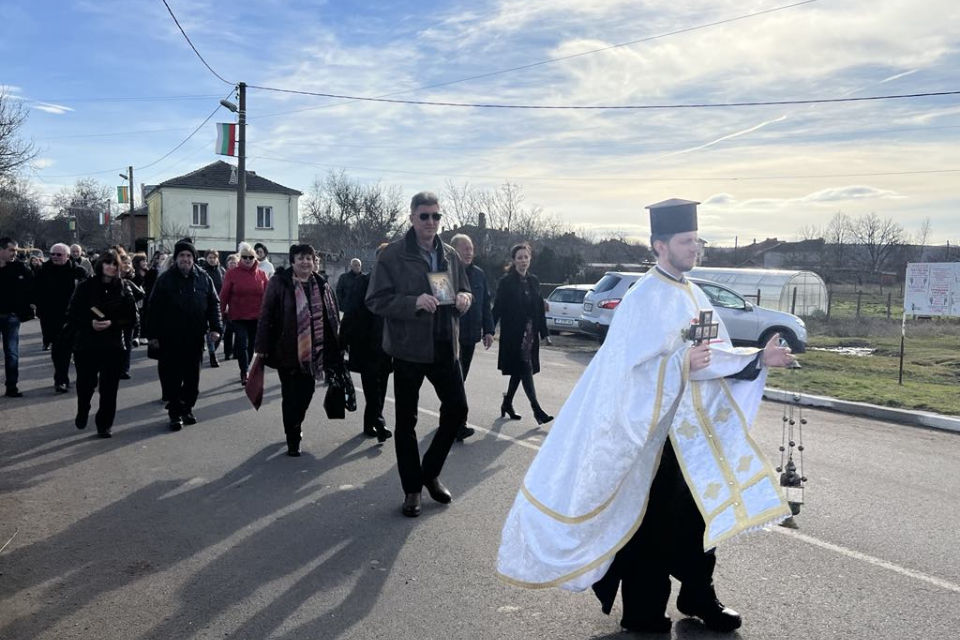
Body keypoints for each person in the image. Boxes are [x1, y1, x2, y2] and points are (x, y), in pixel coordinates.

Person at [497, 198, 797, 634]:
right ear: (660, 245)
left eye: (697, 240)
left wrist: (757, 358)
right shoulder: (641, 300)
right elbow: (624, 372)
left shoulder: (695, 294)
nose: (696, 248)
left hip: (692, 436)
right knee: (648, 524)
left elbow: (711, 356)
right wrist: (678, 365)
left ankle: (698, 595)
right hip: (650, 435)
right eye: (686, 241)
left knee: (699, 516)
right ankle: (644, 607)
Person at [365, 191, 473, 517]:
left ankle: (430, 473)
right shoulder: (393, 255)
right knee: (406, 422)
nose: (430, 222)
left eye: (435, 216)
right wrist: (413, 302)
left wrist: (466, 299)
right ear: (411, 217)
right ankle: (412, 488)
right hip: (409, 348)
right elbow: (375, 300)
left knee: (456, 411)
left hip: (444, 344)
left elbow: (464, 288)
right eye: (424, 216)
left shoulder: (450, 254)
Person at [255, 243, 344, 456]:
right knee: (290, 393)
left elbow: (331, 319)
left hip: (314, 352)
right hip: (286, 348)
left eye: (309, 258)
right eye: (300, 258)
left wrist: (338, 347)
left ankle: (296, 422)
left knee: (307, 392)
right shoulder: (279, 283)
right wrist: (262, 346)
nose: (305, 262)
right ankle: (292, 435)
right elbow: (266, 315)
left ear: (314, 262)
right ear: (292, 261)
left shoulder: (322, 284)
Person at [147, 239, 223, 431]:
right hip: (169, 337)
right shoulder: (165, 279)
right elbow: (153, 308)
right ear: (176, 258)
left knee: (192, 379)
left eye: (189, 256)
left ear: (194, 259)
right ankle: (174, 413)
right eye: (181, 255)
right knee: (172, 376)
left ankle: (187, 408)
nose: (185, 259)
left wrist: (216, 327)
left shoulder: (204, 277)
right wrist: (153, 335)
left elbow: (214, 304)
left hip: (195, 335)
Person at [65, 249, 138, 437]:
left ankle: (104, 424)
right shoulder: (85, 286)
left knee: (109, 389)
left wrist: (112, 323)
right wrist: (90, 323)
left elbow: (132, 317)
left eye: (115, 264)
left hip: (113, 345)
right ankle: (83, 409)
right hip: (86, 344)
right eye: (108, 263)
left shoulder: (124, 287)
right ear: (101, 265)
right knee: (85, 385)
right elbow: (72, 314)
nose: (112, 267)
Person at [492, 243, 553, 426]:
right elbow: (499, 307)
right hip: (514, 335)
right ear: (514, 260)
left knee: (520, 371)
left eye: (526, 257)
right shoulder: (506, 282)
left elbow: (539, 308)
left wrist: (545, 333)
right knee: (524, 367)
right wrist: (489, 329)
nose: (523, 260)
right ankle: (537, 410)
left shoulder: (534, 280)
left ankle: (507, 403)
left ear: (530, 259)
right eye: (519, 257)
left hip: (530, 333)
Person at [339, 244, 392, 443]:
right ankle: (379, 422)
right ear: (376, 261)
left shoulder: (395, 284)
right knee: (372, 386)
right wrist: (342, 342)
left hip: (387, 345)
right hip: (366, 343)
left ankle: (369, 424)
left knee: (383, 386)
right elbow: (351, 312)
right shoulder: (363, 282)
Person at [450, 233, 494, 442]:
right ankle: (458, 424)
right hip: (450, 335)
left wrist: (489, 330)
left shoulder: (479, 274)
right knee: (454, 381)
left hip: (469, 336)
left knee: (461, 379)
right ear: (453, 251)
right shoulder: (446, 273)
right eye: (464, 248)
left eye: (471, 248)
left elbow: (485, 303)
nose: (469, 252)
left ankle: (450, 420)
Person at [35, 242, 88, 391]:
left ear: (67, 256)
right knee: (59, 351)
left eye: (59, 254)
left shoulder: (79, 271)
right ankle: (61, 380)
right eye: (52, 254)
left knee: (79, 351)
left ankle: (84, 379)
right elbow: (36, 292)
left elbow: (88, 292)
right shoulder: (43, 271)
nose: (55, 257)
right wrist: (39, 310)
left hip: (76, 317)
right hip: (52, 317)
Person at [220, 242, 268, 385]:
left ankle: (247, 367)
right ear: (240, 258)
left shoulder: (262, 275)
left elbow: (268, 296)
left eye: (250, 257)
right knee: (241, 343)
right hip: (238, 315)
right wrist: (220, 314)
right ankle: (244, 371)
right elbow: (224, 295)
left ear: (255, 258)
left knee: (251, 345)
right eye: (245, 257)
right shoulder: (232, 274)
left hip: (256, 316)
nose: (247, 260)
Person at [0, 237, 36, 397]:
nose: (14, 253)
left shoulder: (20, 267)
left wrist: (28, 305)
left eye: (16, 250)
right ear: (1, 250)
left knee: (12, 352)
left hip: (11, 317)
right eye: (11, 250)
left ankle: (11, 386)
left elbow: (33, 285)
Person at [200, 249, 226, 368]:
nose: (212, 260)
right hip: (205, 304)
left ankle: (212, 350)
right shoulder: (202, 271)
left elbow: (225, 287)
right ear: (206, 258)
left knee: (219, 331)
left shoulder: (221, 271)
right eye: (209, 257)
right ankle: (212, 354)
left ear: (218, 259)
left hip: (218, 304)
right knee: (208, 330)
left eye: (214, 258)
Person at [221, 254, 239, 360]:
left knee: (238, 330)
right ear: (227, 264)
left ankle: (236, 351)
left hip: (238, 305)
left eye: (235, 262)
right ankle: (227, 352)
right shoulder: (224, 274)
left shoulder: (240, 275)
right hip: (227, 305)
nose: (233, 264)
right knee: (228, 330)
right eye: (231, 262)